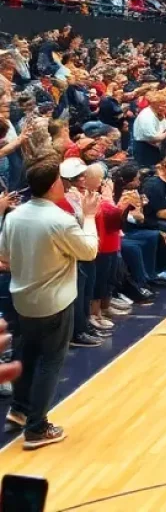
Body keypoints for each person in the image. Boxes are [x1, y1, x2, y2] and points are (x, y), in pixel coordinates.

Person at [0, 152, 100, 449]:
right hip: (54, 302)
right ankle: (37, 428)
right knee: (50, 362)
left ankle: (18, 410)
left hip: (22, 298)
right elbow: (89, 252)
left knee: (26, 356)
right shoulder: (61, 220)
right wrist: (91, 216)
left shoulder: (14, 216)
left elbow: (4, 255)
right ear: (54, 185)